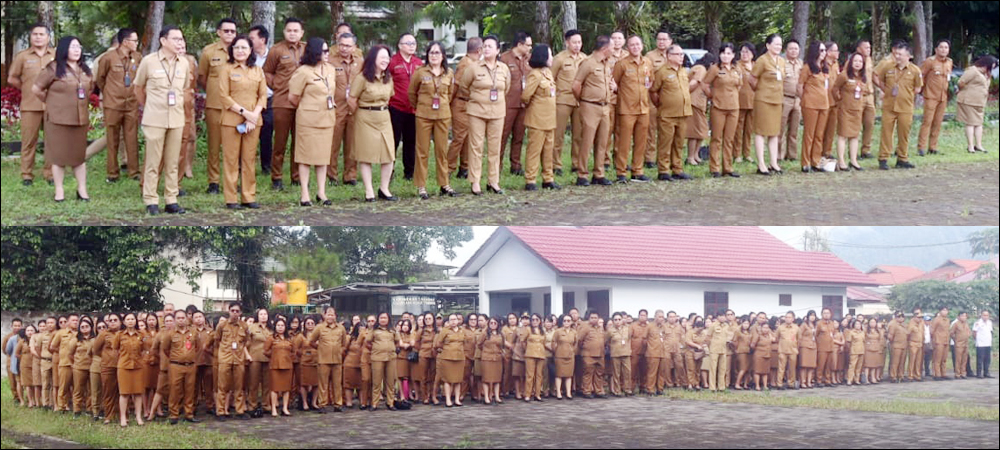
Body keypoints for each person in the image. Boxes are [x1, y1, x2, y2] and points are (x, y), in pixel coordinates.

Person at [31, 36, 93, 203]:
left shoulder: (85, 69)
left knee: (79, 157)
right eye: (73, 47)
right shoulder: (53, 68)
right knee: (58, 157)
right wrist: (51, 102)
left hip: (79, 119)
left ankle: (82, 190)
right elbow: (36, 89)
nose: (77, 50)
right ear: (64, 49)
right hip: (58, 119)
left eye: (79, 47)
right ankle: (59, 190)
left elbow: (90, 89)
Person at [135, 26, 190, 215]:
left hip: (176, 118)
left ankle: (171, 199)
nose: (179, 43)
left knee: (173, 161)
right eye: (175, 39)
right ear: (163, 41)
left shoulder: (184, 63)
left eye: (181, 39)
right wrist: (149, 106)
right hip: (154, 118)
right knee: (153, 161)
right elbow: (138, 88)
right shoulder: (149, 62)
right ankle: (151, 199)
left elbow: (184, 88)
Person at [219, 34, 267, 209]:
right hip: (232, 121)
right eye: (237, 47)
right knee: (231, 160)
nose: (240, 51)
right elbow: (224, 96)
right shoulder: (226, 69)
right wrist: (245, 113)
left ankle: (248, 196)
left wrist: (254, 115)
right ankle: (231, 199)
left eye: (244, 47)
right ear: (232, 50)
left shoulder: (257, 70)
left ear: (250, 50)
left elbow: (263, 96)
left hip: (253, 122)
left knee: (249, 159)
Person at [289, 37, 337, 207]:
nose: (327, 54)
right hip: (308, 120)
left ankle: (321, 192)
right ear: (315, 52)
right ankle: (305, 194)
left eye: (328, 50)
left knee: (323, 157)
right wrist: (308, 107)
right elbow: (293, 97)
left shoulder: (330, 69)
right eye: (323, 51)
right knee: (305, 157)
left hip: (327, 118)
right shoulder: (303, 71)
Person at [460, 35, 511, 195]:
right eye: (485, 46)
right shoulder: (473, 68)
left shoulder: (504, 68)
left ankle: (493, 181)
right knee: (476, 147)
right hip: (477, 112)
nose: (487, 49)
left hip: (497, 112)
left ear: (497, 50)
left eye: (490, 46)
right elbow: (464, 87)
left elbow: (506, 88)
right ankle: (475, 181)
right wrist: (477, 98)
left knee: (495, 147)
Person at [409, 41, 459, 199]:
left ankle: (444, 184)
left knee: (442, 151)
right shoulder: (420, 72)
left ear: (443, 55)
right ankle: (421, 186)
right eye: (431, 52)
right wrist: (420, 106)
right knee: (422, 151)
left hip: (442, 115)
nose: (434, 56)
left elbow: (450, 94)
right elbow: (412, 93)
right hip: (424, 115)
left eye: (437, 52)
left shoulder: (449, 73)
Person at [8, 24, 55, 185]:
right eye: (35, 34)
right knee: (28, 141)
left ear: (48, 37)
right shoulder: (22, 56)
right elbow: (12, 78)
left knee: (52, 141)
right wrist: (28, 89)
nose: (38, 37)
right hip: (30, 105)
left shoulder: (56, 55)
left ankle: (50, 173)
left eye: (42, 34)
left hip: (52, 105)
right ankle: (27, 174)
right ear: (30, 37)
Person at [349, 44, 398, 202]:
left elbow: (390, 96)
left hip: (384, 118)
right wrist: (359, 115)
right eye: (382, 57)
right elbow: (352, 99)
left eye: (387, 57)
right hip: (365, 118)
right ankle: (369, 191)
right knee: (366, 156)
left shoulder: (388, 78)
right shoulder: (362, 78)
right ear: (373, 59)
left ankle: (384, 189)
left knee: (389, 155)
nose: (386, 60)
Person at [263, 17, 306, 190]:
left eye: (296, 31)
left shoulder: (307, 49)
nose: (292, 33)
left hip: (303, 103)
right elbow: (267, 72)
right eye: (289, 30)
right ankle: (277, 177)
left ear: (301, 33)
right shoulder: (276, 50)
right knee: (280, 142)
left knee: (299, 142)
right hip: (282, 102)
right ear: (284, 32)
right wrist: (276, 85)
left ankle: (296, 177)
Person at [94, 28, 141, 182]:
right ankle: (112, 173)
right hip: (113, 104)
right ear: (125, 42)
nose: (136, 43)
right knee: (112, 138)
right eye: (134, 40)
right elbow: (100, 79)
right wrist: (110, 93)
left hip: (131, 103)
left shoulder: (137, 57)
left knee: (132, 137)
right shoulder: (108, 58)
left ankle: (134, 171)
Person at [198, 18, 238, 194]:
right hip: (215, 105)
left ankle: (232, 180)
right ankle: (213, 182)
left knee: (233, 147)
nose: (230, 34)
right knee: (214, 146)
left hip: (236, 107)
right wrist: (215, 91)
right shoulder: (209, 51)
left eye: (233, 31)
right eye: (226, 31)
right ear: (218, 32)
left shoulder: (241, 49)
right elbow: (202, 77)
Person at [571, 35, 615, 186]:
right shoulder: (588, 63)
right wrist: (582, 100)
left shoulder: (606, 63)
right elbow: (576, 85)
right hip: (590, 106)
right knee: (587, 141)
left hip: (605, 106)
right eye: (612, 47)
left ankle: (599, 173)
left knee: (603, 141)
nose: (614, 50)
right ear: (605, 48)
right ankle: (582, 174)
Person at [873, 41, 922, 170]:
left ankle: (902, 158)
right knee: (886, 132)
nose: (897, 57)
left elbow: (918, 88)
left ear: (908, 56)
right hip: (889, 105)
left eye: (900, 54)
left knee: (904, 133)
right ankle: (883, 158)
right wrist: (886, 90)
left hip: (905, 107)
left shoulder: (915, 70)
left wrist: (906, 94)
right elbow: (879, 80)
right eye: (896, 54)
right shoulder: (888, 67)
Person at [612, 35, 654, 183]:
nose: (635, 47)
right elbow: (614, 84)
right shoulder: (622, 64)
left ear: (642, 46)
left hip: (643, 108)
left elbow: (651, 81)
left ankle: (638, 170)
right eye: (632, 45)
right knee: (624, 142)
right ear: (627, 47)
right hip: (627, 109)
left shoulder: (647, 62)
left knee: (641, 141)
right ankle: (621, 172)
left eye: (637, 44)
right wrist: (623, 94)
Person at [521, 44, 561, 191]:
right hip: (537, 119)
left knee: (548, 150)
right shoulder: (535, 74)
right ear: (543, 56)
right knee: (534, 150)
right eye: (550, 55)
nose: (552, 58)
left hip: (550, 119)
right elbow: (526, 96)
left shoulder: (548, 73)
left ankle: (548, 178)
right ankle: (530, 179)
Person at [650, 44, 693, 181]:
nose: (681, 57)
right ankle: (663, 170)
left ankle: (677, 169)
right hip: (667, 114)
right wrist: (661, 104)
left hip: (683, 113)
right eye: (678, 54)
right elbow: (653, 91)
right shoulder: (662, 72)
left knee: (679, 143)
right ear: (669, 56)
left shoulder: (683, 71)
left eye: (682, 54)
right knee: (665, 143)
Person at [749, 34, 786, 175]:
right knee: (761, 131)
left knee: (774, 132)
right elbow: (752, 79)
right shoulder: (762, 60)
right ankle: (761, 164)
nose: (778, 47)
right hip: (763, 100)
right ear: (768, 45)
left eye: (780, 44)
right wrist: (760, 91)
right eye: (776, 44)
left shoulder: (781, 61)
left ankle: (773, 163)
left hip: (777, 100)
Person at [329, 32, 363, 185]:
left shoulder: (360, 62)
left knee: (352, 144)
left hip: (354, 108)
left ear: (354, 47)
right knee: (333, 144)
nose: (344, 48)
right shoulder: (330, 61)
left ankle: (350, 175)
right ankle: (331, 175)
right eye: (341, 45)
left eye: (348, 46)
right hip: (337, 107)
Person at [388, 33, 423, 180]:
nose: (411, 46)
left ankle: (409, 172)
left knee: (411, 141)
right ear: (400, 45)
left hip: (413, 108)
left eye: (413, 43)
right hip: (396, 107)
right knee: (393, 141)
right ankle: (389, 171)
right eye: (408, 43)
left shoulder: (418, 63)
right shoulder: (392, 62)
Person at [704, 43, 742, 178]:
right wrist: (712, 96)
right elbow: (704, 84)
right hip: (718, 107)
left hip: (734, 107)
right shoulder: (715, 69)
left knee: (729, 138)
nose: (726, 56)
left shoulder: (737, 69)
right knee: (716, 138)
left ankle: (728, 167)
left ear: (733, 55)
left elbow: (739, 85)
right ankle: (715, 168)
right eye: (723, 53)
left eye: (728, 53)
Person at [447, 37, 483, 180]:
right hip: (461, 104)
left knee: (468, 137)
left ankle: (464, 167)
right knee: (459, 138)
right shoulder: (465, 64)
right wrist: (449, 103)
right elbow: (455, 86)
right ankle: (448, 167)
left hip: (470, 104)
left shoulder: (474, 63)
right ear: (479, 50)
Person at [552, 30, 586, 175]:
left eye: (579, 42)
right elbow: (551, 79)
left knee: (578, 135)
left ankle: (576, 163)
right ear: (567, 43)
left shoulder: (585, 58)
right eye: (574, 42)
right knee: (558, 134)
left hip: (579, 101)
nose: (577, 45)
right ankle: (555, 164)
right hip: (563, 100)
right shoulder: (559, 59)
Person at [499, 31, 533, 176]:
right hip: (508, 103)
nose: (530, 48)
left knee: (519, 136)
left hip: (523, 103)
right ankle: (497, 165)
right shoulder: (504, 58)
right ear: (519, 44)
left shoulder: (529, 59)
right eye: (528, 45)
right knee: (502, 135)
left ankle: (516, 165)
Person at [307, 306, 348, 413]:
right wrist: (320, 349)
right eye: (328, 314)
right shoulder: (319, 328)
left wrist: (340, 351)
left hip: (337, 360)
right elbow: (311, 341)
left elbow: (344, 344)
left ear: (335, 316)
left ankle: (338, 404)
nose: (330, 317)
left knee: (337, 384)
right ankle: (322, 404)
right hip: (323, 360)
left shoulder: (341, 328)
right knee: (323, 384)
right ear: (324, 315)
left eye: (332, 315)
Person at [797, 40, 830, 173]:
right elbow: (800, 86)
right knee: (809, 134)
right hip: (810, 104)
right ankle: (805, 162)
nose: (824, 53)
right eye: (821, 50)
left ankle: (815, 161)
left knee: (819, 135)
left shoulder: (824, 67)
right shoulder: (807, 67)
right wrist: (805, 99)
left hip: (824, 104)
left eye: (825, 50)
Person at [833, 52, 870, 171]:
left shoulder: (863, 77)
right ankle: (841, 161)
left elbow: (865, 91)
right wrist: (839, 100)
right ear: (850, 62)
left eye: (860, 61)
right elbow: (835, 89)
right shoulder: (844, 75)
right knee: (843, 135)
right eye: (855, 61)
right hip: (845, 110)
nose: (858, 63)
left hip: (857, 110)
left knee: (855, 135)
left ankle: (853, 161)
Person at [163, 310, 200, 424]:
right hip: (176, 365)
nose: (181, 320)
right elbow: (165, 349)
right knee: (174, 390)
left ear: (187, 319)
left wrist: (189, 357)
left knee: (190, 390)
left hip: (190, 365)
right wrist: (177, 357)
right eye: (178, 318)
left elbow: (197, 347)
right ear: (175, 320)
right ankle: (174, 414)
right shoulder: (170, 333)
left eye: (183, 318)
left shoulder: (193, 332)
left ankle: (189, 414)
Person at [644, 30, 673, 170]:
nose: (661, 42)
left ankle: (665, 157)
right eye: (659, 39)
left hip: (669, 97)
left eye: (664, 39)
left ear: (670, 41)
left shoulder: (674, 55)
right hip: (653, 95)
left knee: (667, 129)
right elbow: (645, 75)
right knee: (651, 128)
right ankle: (649, 158)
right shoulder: (650, 56)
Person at [215, 302, 250, 420]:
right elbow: (217, 340)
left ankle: (240, 410)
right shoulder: (222, 325)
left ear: (240, 313)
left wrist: (240, 350)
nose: (235, 313)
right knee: (223, 386)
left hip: (238, 359)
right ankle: (221, 411)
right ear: (229, 311)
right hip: (225, 358)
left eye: (237, 311)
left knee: (239, 387)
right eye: (232, 311)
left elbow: (246, 341)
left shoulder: (244, 326)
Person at [918, 39, 953, 156]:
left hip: (943, 97)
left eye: (946, 47)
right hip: (930, 96)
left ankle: (933, 147)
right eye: (941, 47)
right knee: (927, 121)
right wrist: (921, 90)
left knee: (938, 122)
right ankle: (921, 147)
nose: (943, 50)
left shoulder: (949, 62)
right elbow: (921, 75)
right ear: (936, 49)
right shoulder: (930, 61)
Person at [247, 25, 274, 175]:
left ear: (262, 40)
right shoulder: (248, 57)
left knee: (267, 134)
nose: (249, 41)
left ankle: (266, 167)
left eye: (252, 38)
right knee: (248, 133)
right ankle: (246, 165)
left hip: (269, 100)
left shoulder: (273, 56)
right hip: (250, 101)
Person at [956, 56, 996, 154]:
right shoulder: (972, 70)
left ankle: (978, 145)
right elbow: (961, 82)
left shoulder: (986, 74)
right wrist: (967, 90)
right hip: (969, 101)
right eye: (990, 67)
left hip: (980, 102)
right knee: (970, 123)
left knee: (979, 123)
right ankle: (970, 146)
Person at [113, 313, 145, 427]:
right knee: (124, 393)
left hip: (138, 366)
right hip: (124, 366)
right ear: (124, 322)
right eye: (128, 319)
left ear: (135, 321)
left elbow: (144, 349)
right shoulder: (119, 335)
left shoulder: (141, 334)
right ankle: (123, 417)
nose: (130, 321)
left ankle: (138, 416)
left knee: (138, 393)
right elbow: (115, 349)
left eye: (132, 319)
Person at [365, 312, 399, 411]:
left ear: (388, 319)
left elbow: (397, 342)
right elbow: (367, 342)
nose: (383, 320)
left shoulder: (392, 330)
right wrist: (376, 349)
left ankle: (390, 403)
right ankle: (374, 404)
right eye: (381, 318)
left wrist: (392, 349)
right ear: (378, 319)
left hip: (391, 358)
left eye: (385, 318)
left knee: (390, 382)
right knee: (376, 382)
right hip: (377, 358)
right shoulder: (374, 330)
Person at [685, 53, 713, 167]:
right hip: (694, 103)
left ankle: (696, 155)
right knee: (694, 132)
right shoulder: (701, 69)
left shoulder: (701, 69)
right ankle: (690, 157)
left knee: (702, 131)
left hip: (700, 104)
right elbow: (696, 83)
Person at [49, 313, 79, 412]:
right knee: (63, 387)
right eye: (73, 320)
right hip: (65, 363)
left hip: (78, 364)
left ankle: (76, 408)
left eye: (76, 320)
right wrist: (62, 352)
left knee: (77, 388)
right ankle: (61, 407)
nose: (75, 322)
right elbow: (52, 346)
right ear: (68, 322)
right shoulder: (61, 333)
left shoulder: (80, 333)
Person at [264, 317, 294, 417]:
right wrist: (274, 356)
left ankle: (285, 408)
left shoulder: (289, 338)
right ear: (275, 326)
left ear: (285, 327)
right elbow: (266, 351)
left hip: (287, 366)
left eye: (282, 325)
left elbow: (294, 351)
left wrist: (288, 358)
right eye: (278, 325)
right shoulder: (271, 338)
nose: (280, 327)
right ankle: (273, 408)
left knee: (286, 388)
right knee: (275, 388)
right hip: (275, 366)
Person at [436, 314, 467, 407]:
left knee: (458, 380)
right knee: (447, 380)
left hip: (460, 358)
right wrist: (448, 349)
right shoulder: (445, 331)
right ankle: (448, 400)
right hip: (447, 358)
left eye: (455, 319)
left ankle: (457, 399)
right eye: (451, 319)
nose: (453, 321)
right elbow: (439, 343)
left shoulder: (462, 330)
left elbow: (465, 342)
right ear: (448, 321)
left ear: (458, 321)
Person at [779, 39, 802, 161]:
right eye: (791, 48)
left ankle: (792, 155)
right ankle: (779, 155)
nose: (793, 51)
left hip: (797, 100)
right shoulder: (782, 63)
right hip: (785, 98)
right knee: (780, 128)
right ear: (786, 50)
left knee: (794, 129)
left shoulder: (801, 64)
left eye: (796, 49)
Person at [854, 40, 877, 159]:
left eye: (869, 47)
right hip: (859, 96)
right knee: (856, 124)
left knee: (869, 123)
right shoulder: (854, 61)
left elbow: (873, 76)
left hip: (870, 96)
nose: (868, 49)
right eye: (866, 47)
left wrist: (884, 88)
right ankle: (854, 150)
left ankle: (866, 149)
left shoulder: (869, 60)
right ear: (859, 49)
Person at [246, 309, 272, 416]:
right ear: (257, 316)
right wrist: (247, 355)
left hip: (268, 358)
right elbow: (246, 342)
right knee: (253, 383)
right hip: (255, 358)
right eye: (261, 314)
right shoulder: (252, 327)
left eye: (265, 314)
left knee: (267, 384)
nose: (263, 316)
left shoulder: (271, 328)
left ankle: (266, 405)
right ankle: (252, 405)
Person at [735, 43, 756, 164]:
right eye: (742, 51)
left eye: (747, 51)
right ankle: (737, 153)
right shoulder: (737, 65)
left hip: (754, 101)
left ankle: (747, 153)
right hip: (740, 101)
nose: (744, 54)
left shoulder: (756, 66)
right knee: (738, 129)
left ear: (752, 53)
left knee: (749, 129)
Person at [820, 41, 841, 160]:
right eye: (835, 50)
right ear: (828, 52)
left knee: (831, 129)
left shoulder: (836, 64)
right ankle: (818, 151)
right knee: (821, 128)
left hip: (835, 101)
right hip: (824, 101)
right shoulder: (822, 64)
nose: (838, 53)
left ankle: (827, 151)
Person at [478, 316, 506, 404]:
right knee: (486, 378)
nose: (493, 325)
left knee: (497, 378)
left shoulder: (501, 334)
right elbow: (479, 344)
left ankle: (497, 396)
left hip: (497, 358)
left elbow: (503, 345)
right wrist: (486, 351)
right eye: (491, 323)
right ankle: (486, 397)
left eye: (495, 323)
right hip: (487, 358)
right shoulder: (485, 333)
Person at [550, 315, 577, 400]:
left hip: (570, 356)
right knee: (559, 374)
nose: (566, 322)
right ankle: (558, 392)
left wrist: (572, 351)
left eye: (568, 321)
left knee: (569, 375)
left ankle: (568, 393)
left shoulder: (574, 332)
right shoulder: (558, 331)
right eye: (564, 321)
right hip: (559, 356)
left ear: (571, 322)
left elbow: (576, 343)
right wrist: (556, 351)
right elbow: (553, 342)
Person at [605, 313, 631, 397]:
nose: (618, 321)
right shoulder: (610, 330)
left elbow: (629, 338)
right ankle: (617, 390)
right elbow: (606, 341)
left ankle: (627, 389)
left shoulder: (627, 329)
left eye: (619, 319)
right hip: (615, 354)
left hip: (626, 353)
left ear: (622, 320)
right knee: (616, 373)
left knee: (627, 372)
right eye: (615, 320)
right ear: (613, 321)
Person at [776, 312, 799, 390]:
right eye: (786, 317)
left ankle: (791, 383)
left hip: (793, 350)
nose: (787, 319)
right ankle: (779, 384)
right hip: (782, 350)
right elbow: (777, 338)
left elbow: (798, 339)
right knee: (781, 368)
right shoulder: (780, 327)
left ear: (793, 319)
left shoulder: (796, 328)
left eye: (789, 317)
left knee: (792, 368)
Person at [930, 307, 951, 380]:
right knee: (937, 359)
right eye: (943, 310)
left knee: (944, 358)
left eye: (946, 310)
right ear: (940, 311)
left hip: (946, 340)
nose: (945, 312)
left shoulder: (947, 320)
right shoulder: (936, 319)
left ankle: (943, 373)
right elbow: (932, 331)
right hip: (938, 341)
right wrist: (934, 340)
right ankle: (937, 374)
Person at [906, 309, 926, 382]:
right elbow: (908, 333)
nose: (920, 319)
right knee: (912, 360)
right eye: (918, 317)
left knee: (918, 360)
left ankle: (917, 374)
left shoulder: (922, 323)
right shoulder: (911, 323)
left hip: (920, 343)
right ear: (914, 316)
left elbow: (923, 332)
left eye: (921, 317)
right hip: (913, 343)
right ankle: (910, 375)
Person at [973, 311, 993, 378]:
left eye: (987, 315)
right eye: (984, 315)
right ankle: (979, 373)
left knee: (987, 359)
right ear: (981, 315)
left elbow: (990, 331)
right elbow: (974, 332)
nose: (985, 317)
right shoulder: (978, 323)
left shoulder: (990, 322)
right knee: (980, 359)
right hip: (980, 343)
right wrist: (976, 340)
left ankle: (986, 373)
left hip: (988, 343)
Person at [845, 319, 865, 385]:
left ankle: (857, 379)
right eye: (856, 324)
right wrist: (849, 350)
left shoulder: (862, 332)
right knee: (852, 366)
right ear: (854, 325)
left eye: (859, 324)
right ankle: (849, 380)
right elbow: (848, 342)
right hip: (854, 351)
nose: (858, 325)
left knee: (859, 366)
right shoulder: (851, 332)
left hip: (861, 351)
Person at [863, 318, 883, 385]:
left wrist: (879, 348)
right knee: (867, 364)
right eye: (871, 322)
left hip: (876, 348)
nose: (872, 324)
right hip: (868, 349)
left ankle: (873, 378)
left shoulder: (878, 331)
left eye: (874, 322)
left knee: (874, 364)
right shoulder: (866, 330)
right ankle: (866, 379)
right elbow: (863, 339)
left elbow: (880, 339)